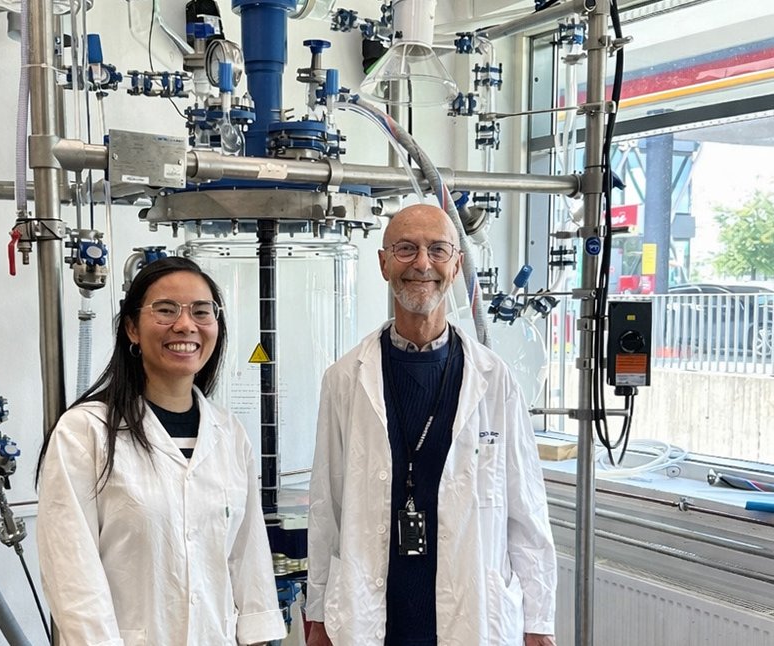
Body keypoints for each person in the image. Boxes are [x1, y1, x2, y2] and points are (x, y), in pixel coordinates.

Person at [305, 204, 557, 646]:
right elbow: (327, 507)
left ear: (457, 265)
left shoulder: (495, 381)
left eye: (437, 250)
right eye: (406, 249)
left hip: (471, 613)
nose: (422, 263)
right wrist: (318, 613)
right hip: (374, 617)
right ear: (383, 263)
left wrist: (539, 622)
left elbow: (527, 513)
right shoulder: (345, 379)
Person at [36, 256, 285, 646]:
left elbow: (248, 557)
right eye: (166, 310)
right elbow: (72, 574)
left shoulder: (230, 435)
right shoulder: (85, 432)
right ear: (132, 328)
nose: (185, 325)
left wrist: (259, 635)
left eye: (202, 312)